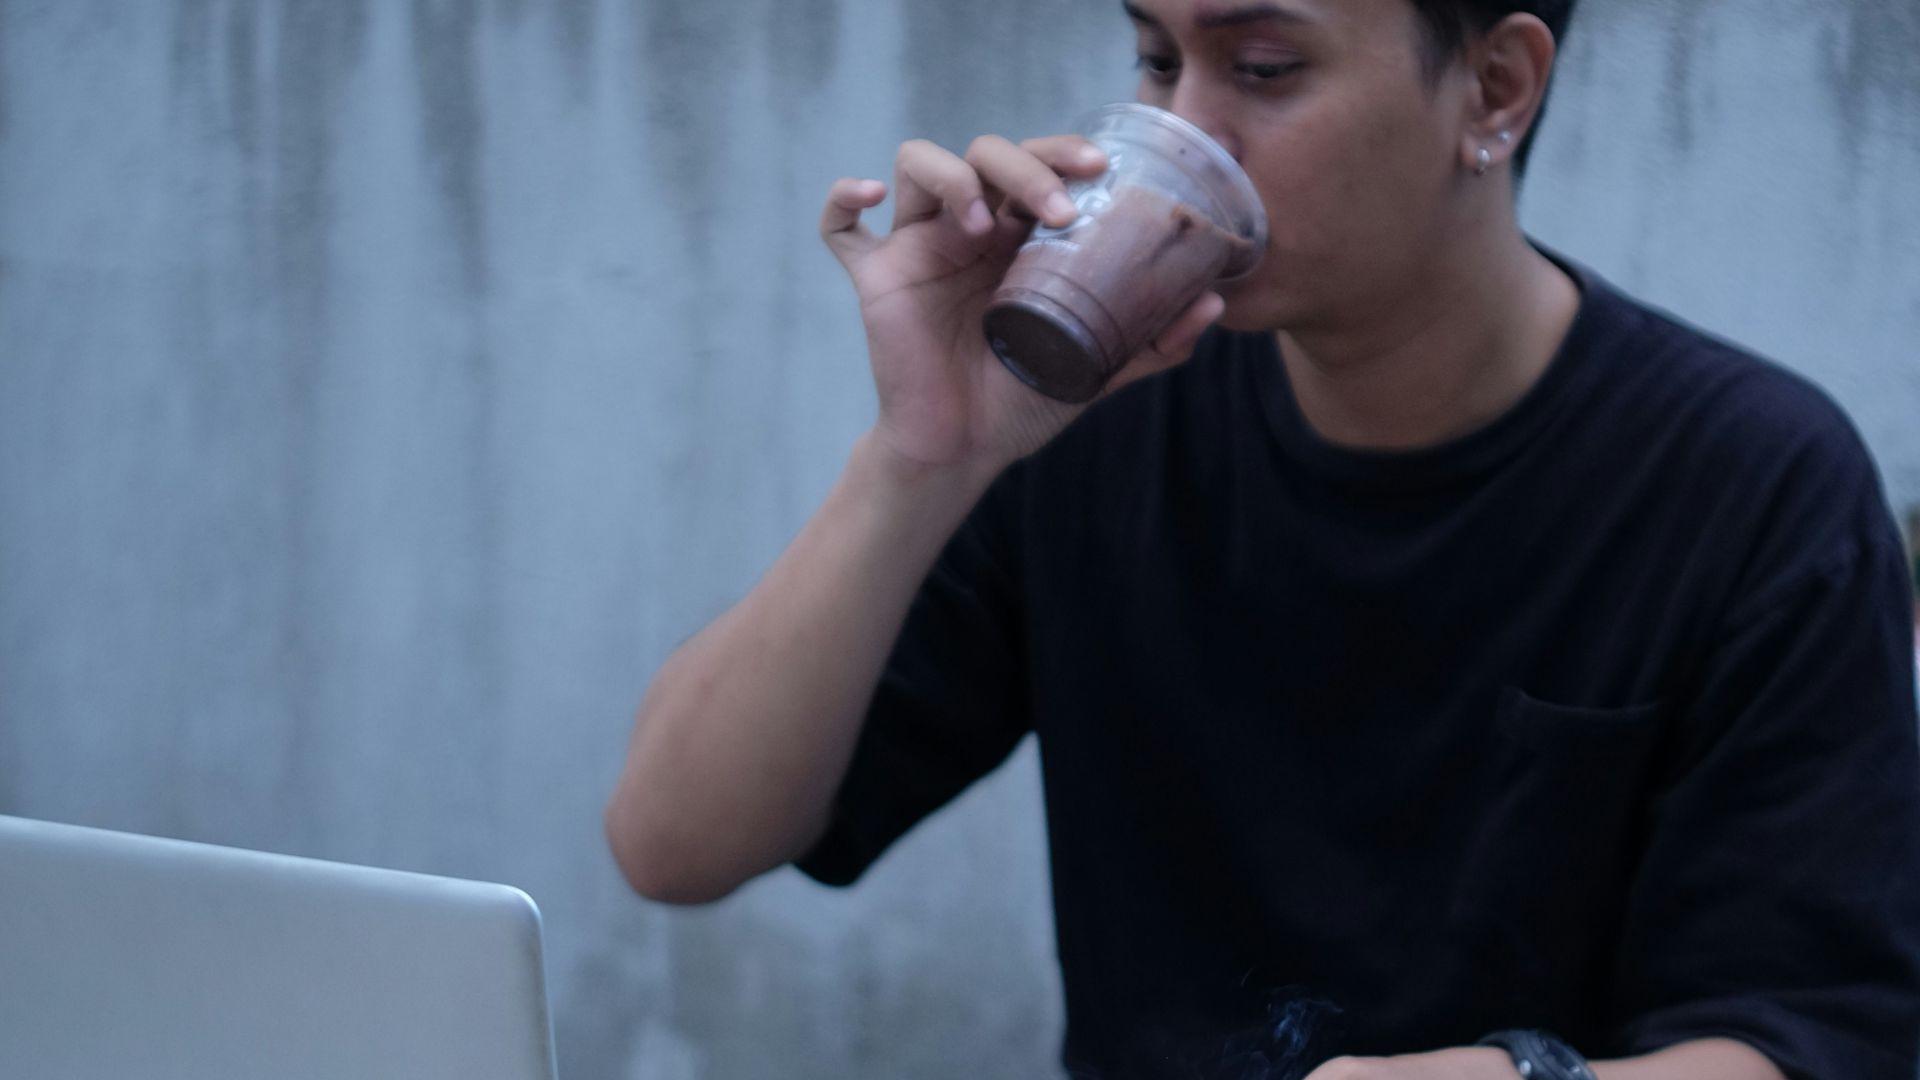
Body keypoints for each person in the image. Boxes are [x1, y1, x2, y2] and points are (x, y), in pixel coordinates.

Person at [604, 1, 1920, 1077]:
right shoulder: (1094, 421)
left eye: (1265, 66)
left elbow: (1811, 1029)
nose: (1180, 136)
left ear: (1496, 91)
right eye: (1158, 60)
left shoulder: (1747, 483)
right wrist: (921, 458)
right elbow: (673, 843)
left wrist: (1535, 1079)